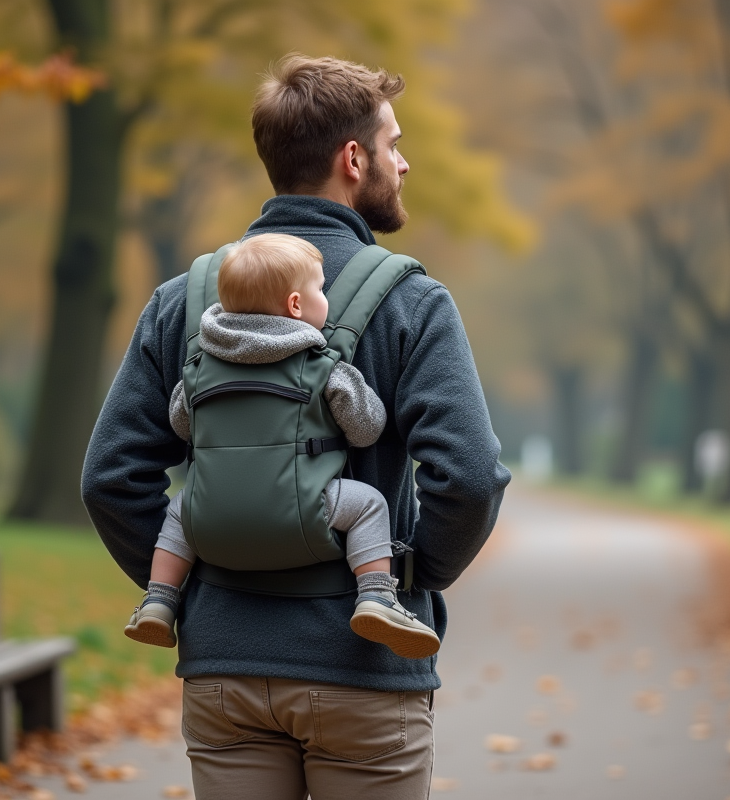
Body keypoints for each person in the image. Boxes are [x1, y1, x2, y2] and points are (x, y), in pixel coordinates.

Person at [83, 53, 510, 800]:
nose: (403, 163)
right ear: (353, 159)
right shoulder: (412, 303)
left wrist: (197, 581)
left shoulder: (184, 300)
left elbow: (110, 479)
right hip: (362, 674)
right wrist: (410, 578)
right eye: (393, 144)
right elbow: (470, 478)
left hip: (224, 672)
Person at [122, 232, 441, 659]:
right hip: (305, 509)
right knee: (369, 505)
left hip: (213, 514)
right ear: (295, 305)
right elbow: (367, 429)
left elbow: (181, 425)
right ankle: (377, 596)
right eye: (320, 289)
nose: (325, 298)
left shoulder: (197, 371)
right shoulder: (325, 368)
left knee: (180, 514)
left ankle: (159, 600)